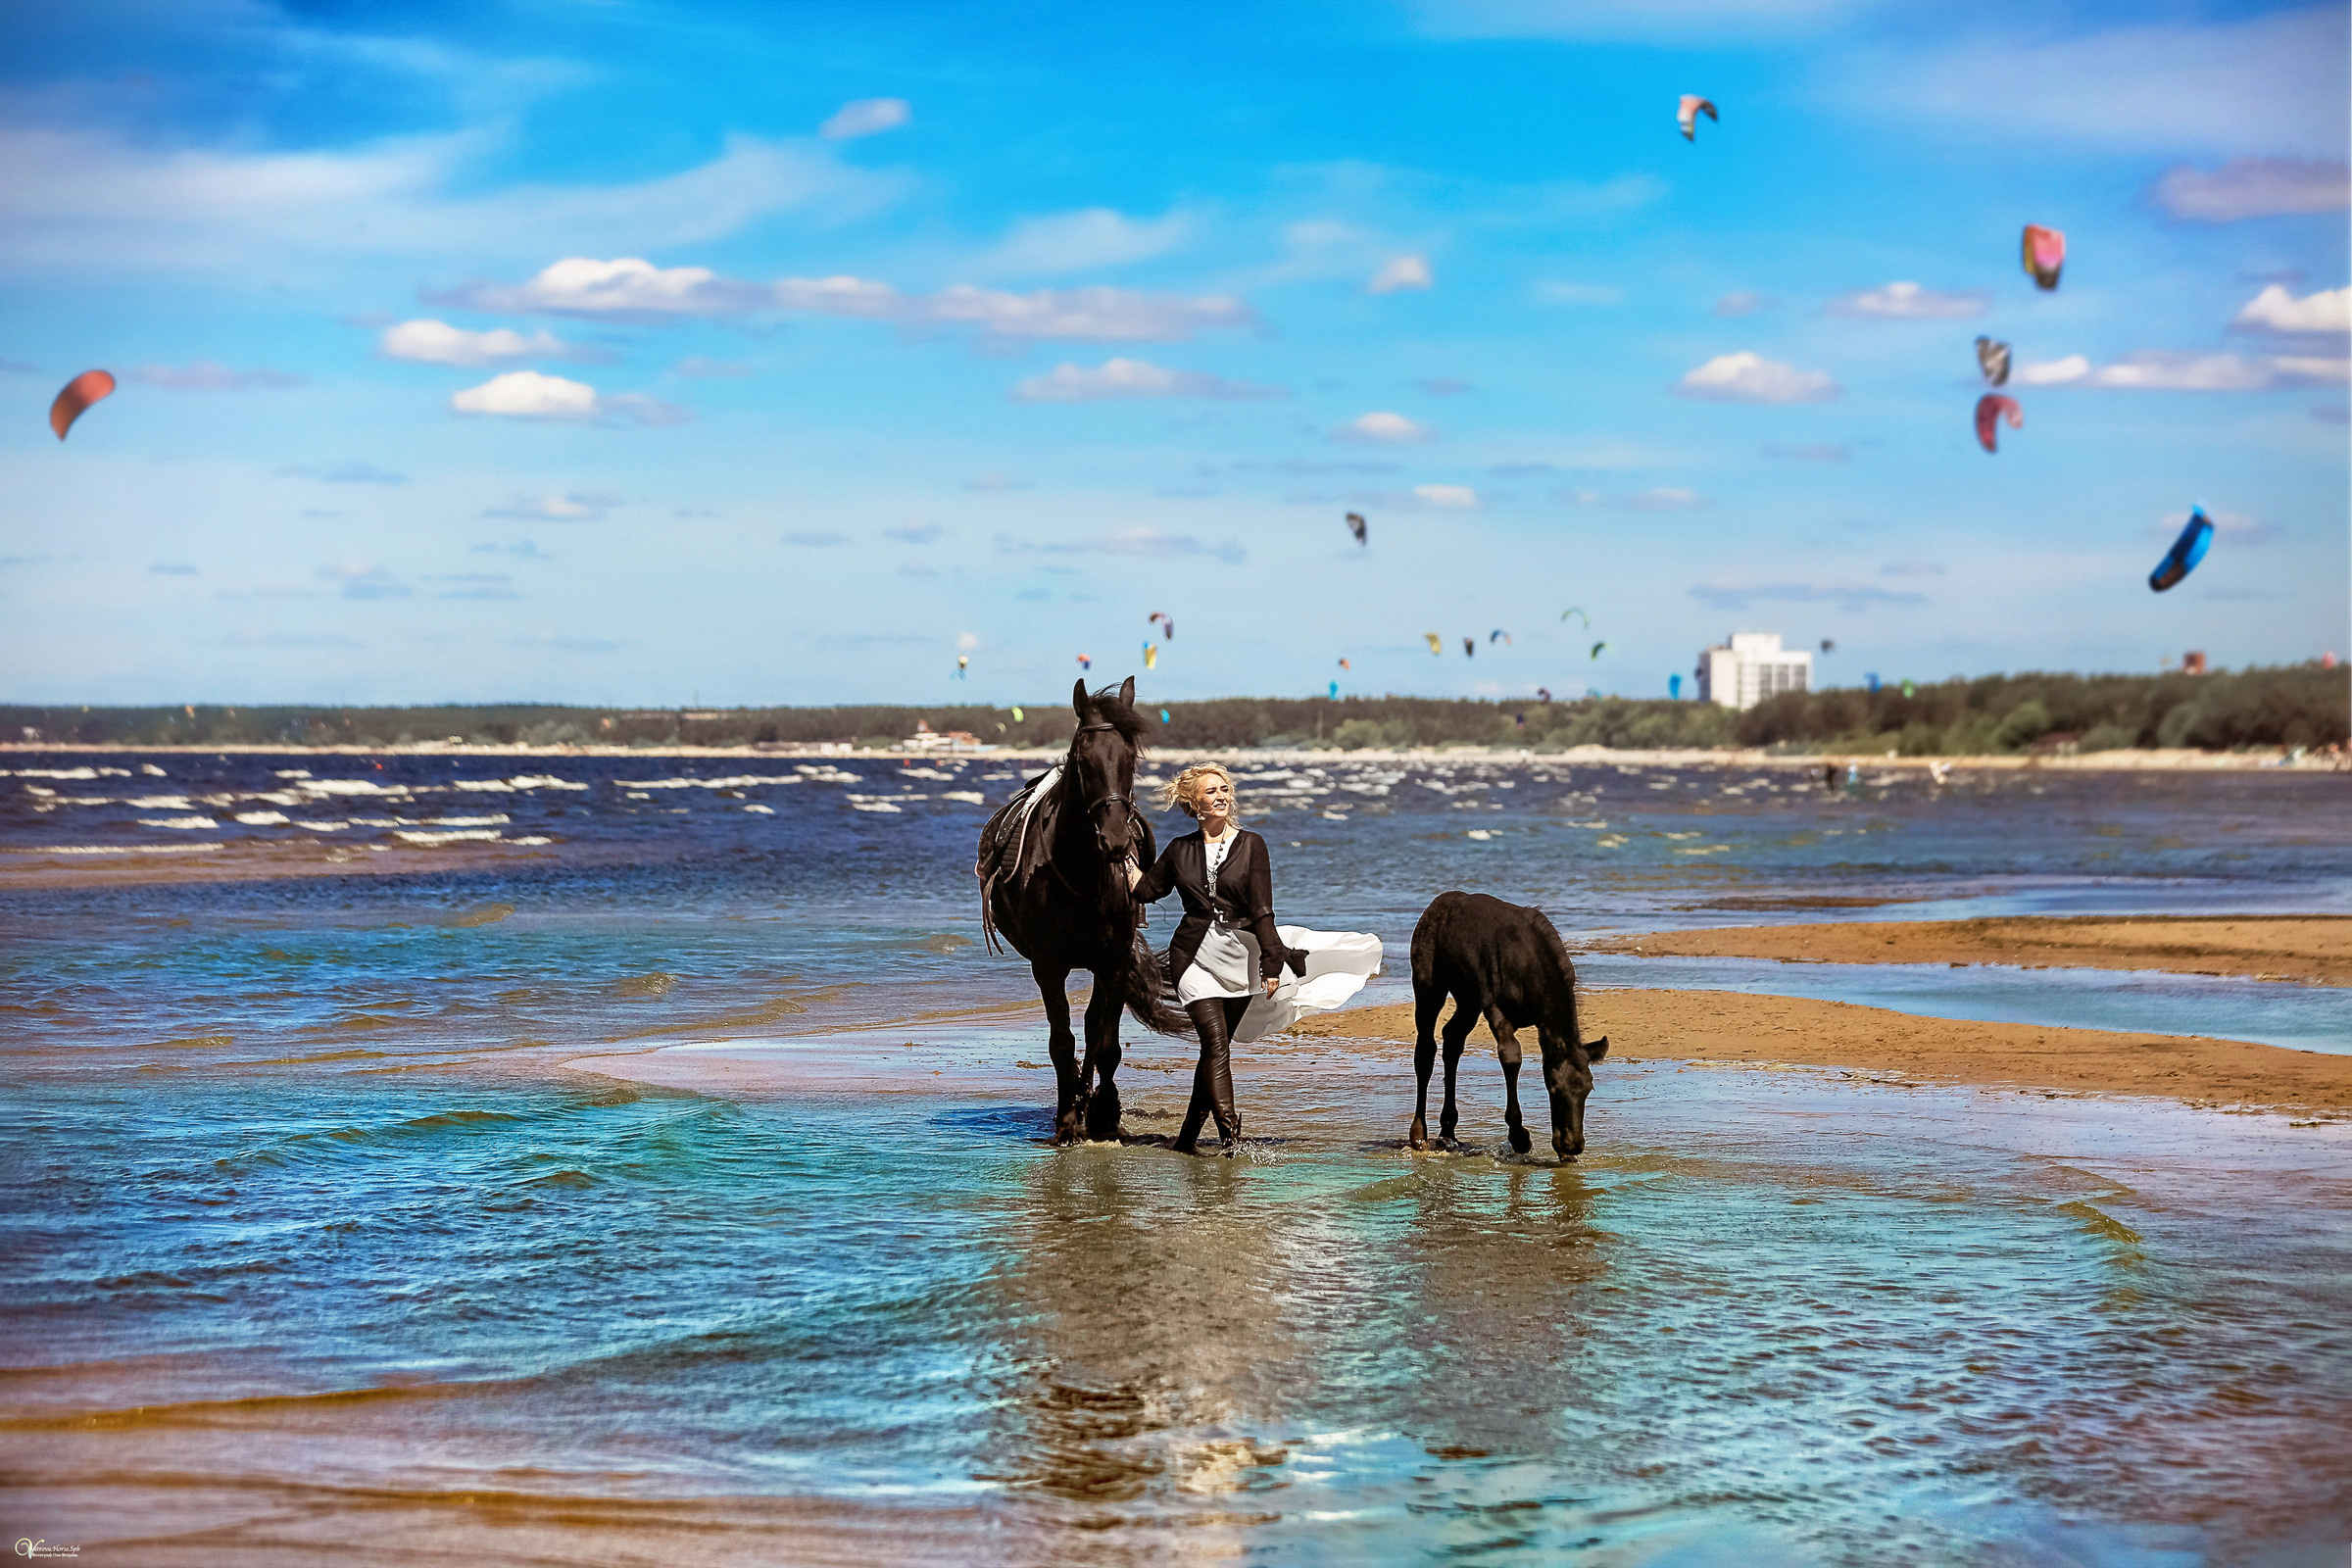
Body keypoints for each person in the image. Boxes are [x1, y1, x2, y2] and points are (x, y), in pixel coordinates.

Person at [1127, 762, 1382, 1154]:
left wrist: (1271, 962)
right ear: (1194, 803)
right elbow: (1148, 889)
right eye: (1211, 791)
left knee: (1214, 1051)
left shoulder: (1252, 844)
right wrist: (1124, 862)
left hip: (1241, 958)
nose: (1221, 796)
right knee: (1216, 1044)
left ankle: (1187, 1141)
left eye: (1225, 789)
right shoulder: (1180, 849)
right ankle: (1232, 1140)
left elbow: (1263, 910)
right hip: (1193, 958)